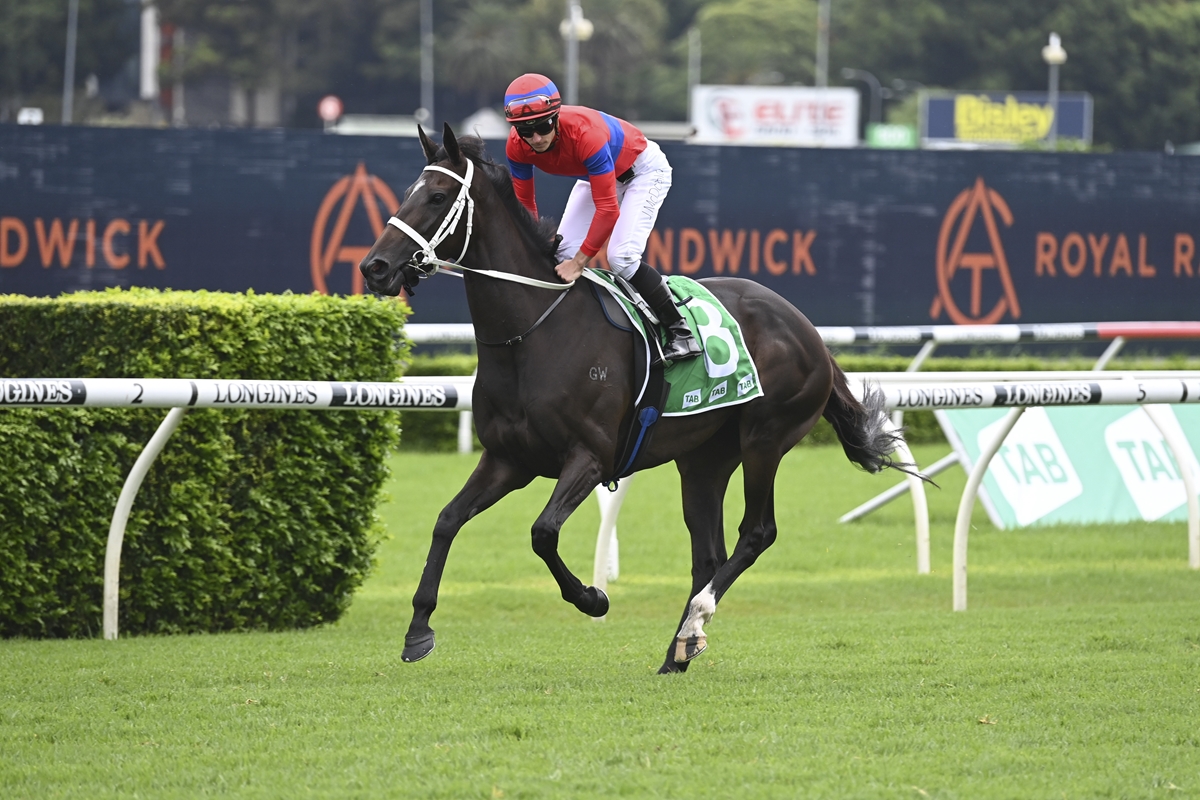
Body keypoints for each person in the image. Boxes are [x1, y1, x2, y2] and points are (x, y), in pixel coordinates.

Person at [503, 73, 702, 362]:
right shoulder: (516, 146)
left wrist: (579, 263)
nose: (536, 138)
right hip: (595, 176)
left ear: (556, 117)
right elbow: (525, 204)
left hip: (643, 172)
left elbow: (608, 210)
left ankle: (680, 331)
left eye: (543, 126)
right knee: (559, 256)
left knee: (621, 258)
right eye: (525, 131)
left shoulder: (585, 134)